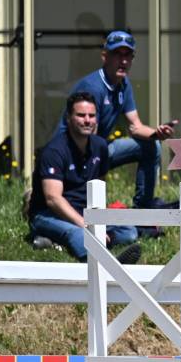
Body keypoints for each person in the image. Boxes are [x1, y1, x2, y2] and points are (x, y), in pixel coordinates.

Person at [62, 30, 176, 210]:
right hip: (71, 154)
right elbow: (87, 139)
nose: (123, 61)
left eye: (128, 55)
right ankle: (90, 208)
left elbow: (135, 127)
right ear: (105, 56)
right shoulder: (93, 87)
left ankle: (144, 208)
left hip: (98, 148)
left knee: (151, 146)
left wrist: (157, 133)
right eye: (117, 54)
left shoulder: (124, 84)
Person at [28, 92, 141, 264]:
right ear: (68, 118)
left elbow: (100, 184)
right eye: (81, 115)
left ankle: (56, 241)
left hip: (85, 213)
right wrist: (85, 225)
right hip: (49, 215)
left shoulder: (100, 146)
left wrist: (98, 220)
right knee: (78, 233)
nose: (87, 120)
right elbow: (53, 199)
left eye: (91, 115)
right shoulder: (54, 151)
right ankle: (107, 264)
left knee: (129, 231)